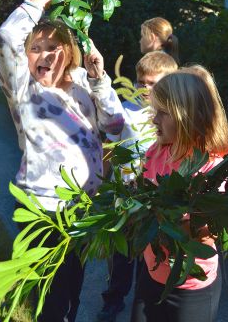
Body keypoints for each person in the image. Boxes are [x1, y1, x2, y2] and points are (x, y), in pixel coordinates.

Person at [0, 0, 124, 322]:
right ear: (26, 57)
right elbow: (7, 35)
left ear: (68, 51)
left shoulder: (83, 83)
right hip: (45, 211)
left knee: (72, 290)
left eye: (54, 47)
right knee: (50, 300)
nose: (46, 55)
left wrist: (100, 79)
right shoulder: (23, 88)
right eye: (35, 48)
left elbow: (115, 130)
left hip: (82, 210)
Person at [131, 69, 228, 322]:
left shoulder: (212, 170)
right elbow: (143, 187)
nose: (154, 120)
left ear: (188, 116)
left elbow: (207, 230)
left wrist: (161, 219)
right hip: (152, 273)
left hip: (190, 287)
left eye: (163, 113)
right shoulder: (157, 151)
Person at [97, 51, 178, 322]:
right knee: (121, 252)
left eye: (154, 83)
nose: (145, 88)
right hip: (125, 195)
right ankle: (114, 298)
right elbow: (109, 148)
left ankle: (147, 303)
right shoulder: (124, 110)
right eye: (142, 81)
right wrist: (100, 183)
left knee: (151, 257)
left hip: (155, 199)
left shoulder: (177, 117)